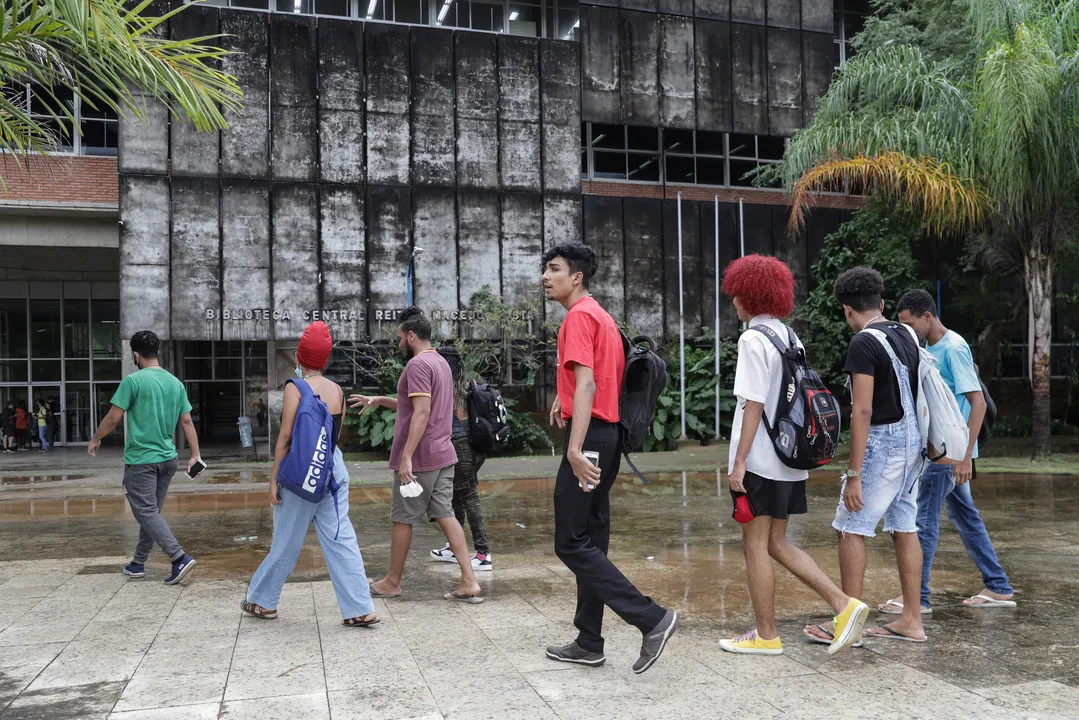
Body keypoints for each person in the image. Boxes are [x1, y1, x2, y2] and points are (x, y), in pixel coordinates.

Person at [718, 255, 869, 656]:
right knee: (777, 542)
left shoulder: (752, 340)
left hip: (760, 463)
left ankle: (766, 635)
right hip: (789, 459)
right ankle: (843, 604)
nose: (733, 301)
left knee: (755, 544)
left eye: (736, 294)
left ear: (749, 295)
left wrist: (739, 463)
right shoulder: (788, 336)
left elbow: (752, 405)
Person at [541, 242, 677, 675]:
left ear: (576, 276)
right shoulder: (601, 315)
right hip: (610, 436)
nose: (546, 277)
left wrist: (575, 449)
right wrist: (564, 404)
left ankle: (652, 619)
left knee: (570, 542)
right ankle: (589, 641)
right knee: (592, 540)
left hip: (594, 439)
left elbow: (588, 387)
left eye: (554, 269)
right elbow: (594, 379)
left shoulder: (579, 317)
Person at [878, 289, 1015, 611]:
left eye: (911, 323)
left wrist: (966, 457)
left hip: (948, 454)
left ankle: (918, 598)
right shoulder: (929, 346)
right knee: (966, 519)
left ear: (928, 316)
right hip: (943, 452)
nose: (908, 331)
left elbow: (977, 401)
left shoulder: (953, 348)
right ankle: (998, 586)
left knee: (922, 522)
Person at [242, 322, 378, 627]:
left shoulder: (296, 387)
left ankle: (263, 603)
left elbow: (286, 438)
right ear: (326, 359)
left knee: (287, 540)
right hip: (332, 471)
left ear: (299, 357)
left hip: (301, 475)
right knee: (341, 538)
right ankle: (359, 608)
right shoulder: (338, 391)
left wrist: (274, 478)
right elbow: (335, 437)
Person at [819, 267, 927, 644]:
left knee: (850, 527)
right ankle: (912, 620)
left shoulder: (863, 344)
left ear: (848, 310)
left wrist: (854, 473)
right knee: (904, 525)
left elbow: (861, 411)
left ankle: (850, 624)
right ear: (881, 303)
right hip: (914, 445)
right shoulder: (908, 333)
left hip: (884, 444)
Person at [350, 307, 483, 603]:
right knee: (446, 514)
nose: (398, 343)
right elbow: (418, 406)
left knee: (402, 519)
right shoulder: (440, 363)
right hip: (444, 454)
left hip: (421, 458)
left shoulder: (418, 366)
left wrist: (407, 457)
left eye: (400, 338)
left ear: (411, 335)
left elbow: (422, 413)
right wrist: (380, 400)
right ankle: (469, 580)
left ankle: (392, 582)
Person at [88, 330, 201, 585]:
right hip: (168, 459)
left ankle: (178, 557)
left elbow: (114, 418)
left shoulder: (133, 381)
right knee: (151, 513)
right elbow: (186, 421)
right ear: (157, 352)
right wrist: (195, 454)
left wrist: (96, 438)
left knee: (146, 512)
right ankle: (138, 563)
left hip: (142, 460)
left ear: (136, 354)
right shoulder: (175, 383)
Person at [429, 345, 493, 571]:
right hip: (474, 447)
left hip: (461, 447)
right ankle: (455, 548)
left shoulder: (450, 386)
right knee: (456, 497)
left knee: (468, 497)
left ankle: (483, 554)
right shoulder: (468, 383)